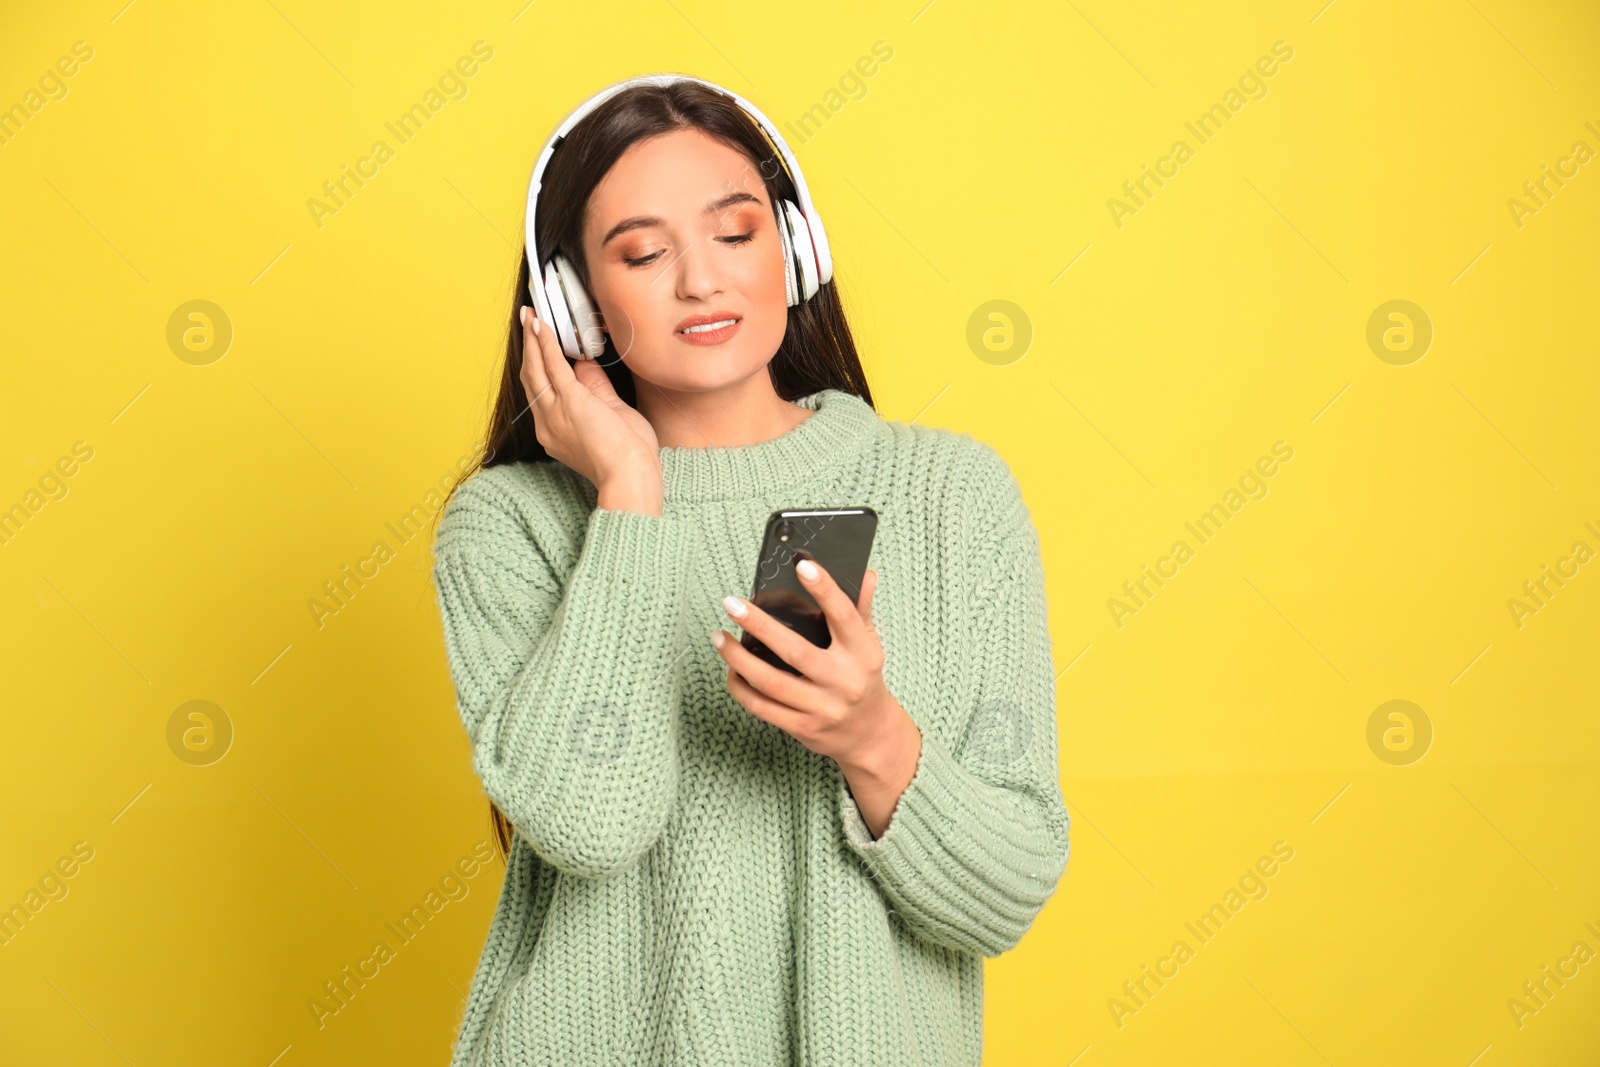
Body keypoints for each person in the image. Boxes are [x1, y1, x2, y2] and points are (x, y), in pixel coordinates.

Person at [430, 74, 1070, 1067]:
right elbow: (594, 824)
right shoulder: (507, 526)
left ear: (795, 248)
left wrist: (872, 737)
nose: (701, 281)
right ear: (574, 302)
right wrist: (629, 494)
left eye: (735, 233)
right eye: (642, 252)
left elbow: (1005, 889)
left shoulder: (955, 495)